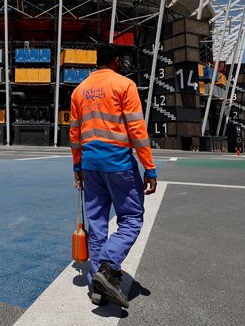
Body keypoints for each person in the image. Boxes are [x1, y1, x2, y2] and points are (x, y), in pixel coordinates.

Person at [70, 43, 158, 308]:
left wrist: (77, 168)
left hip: (89, 165)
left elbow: (75, 134)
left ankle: (97, 288)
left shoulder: (79, 90)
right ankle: (108, 268)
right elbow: (137, 129)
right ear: (117, 61)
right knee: (131, 219)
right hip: (118, 163)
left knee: (97, 224)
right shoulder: (124, 85)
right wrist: (149, 168)